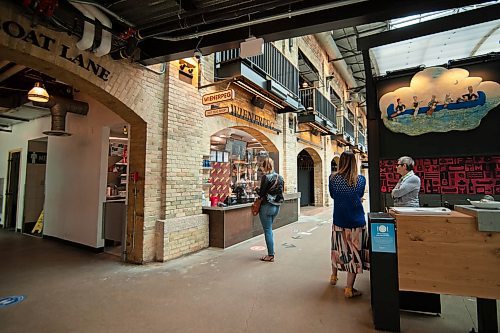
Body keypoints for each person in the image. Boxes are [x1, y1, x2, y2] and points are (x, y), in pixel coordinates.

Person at [328, 151, 369, 298]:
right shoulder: (360, 180)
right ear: (354, 162)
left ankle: (334, 276)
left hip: (339, 220)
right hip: (356, 221)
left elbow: (333, 196)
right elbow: (359, 195)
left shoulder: (332, 178)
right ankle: (349, 289)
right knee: (354, 253)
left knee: (337, 249)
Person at [257, 157, 284, 262]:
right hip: (276, 207)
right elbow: (281, 191)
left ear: (264, 166)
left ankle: (270, 255)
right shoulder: (280, 177)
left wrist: (255, 189)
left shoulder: (266, 177)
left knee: (267, 230)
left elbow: (261, 194)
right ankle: (271, 250)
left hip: (266, 207)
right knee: (269, 229)